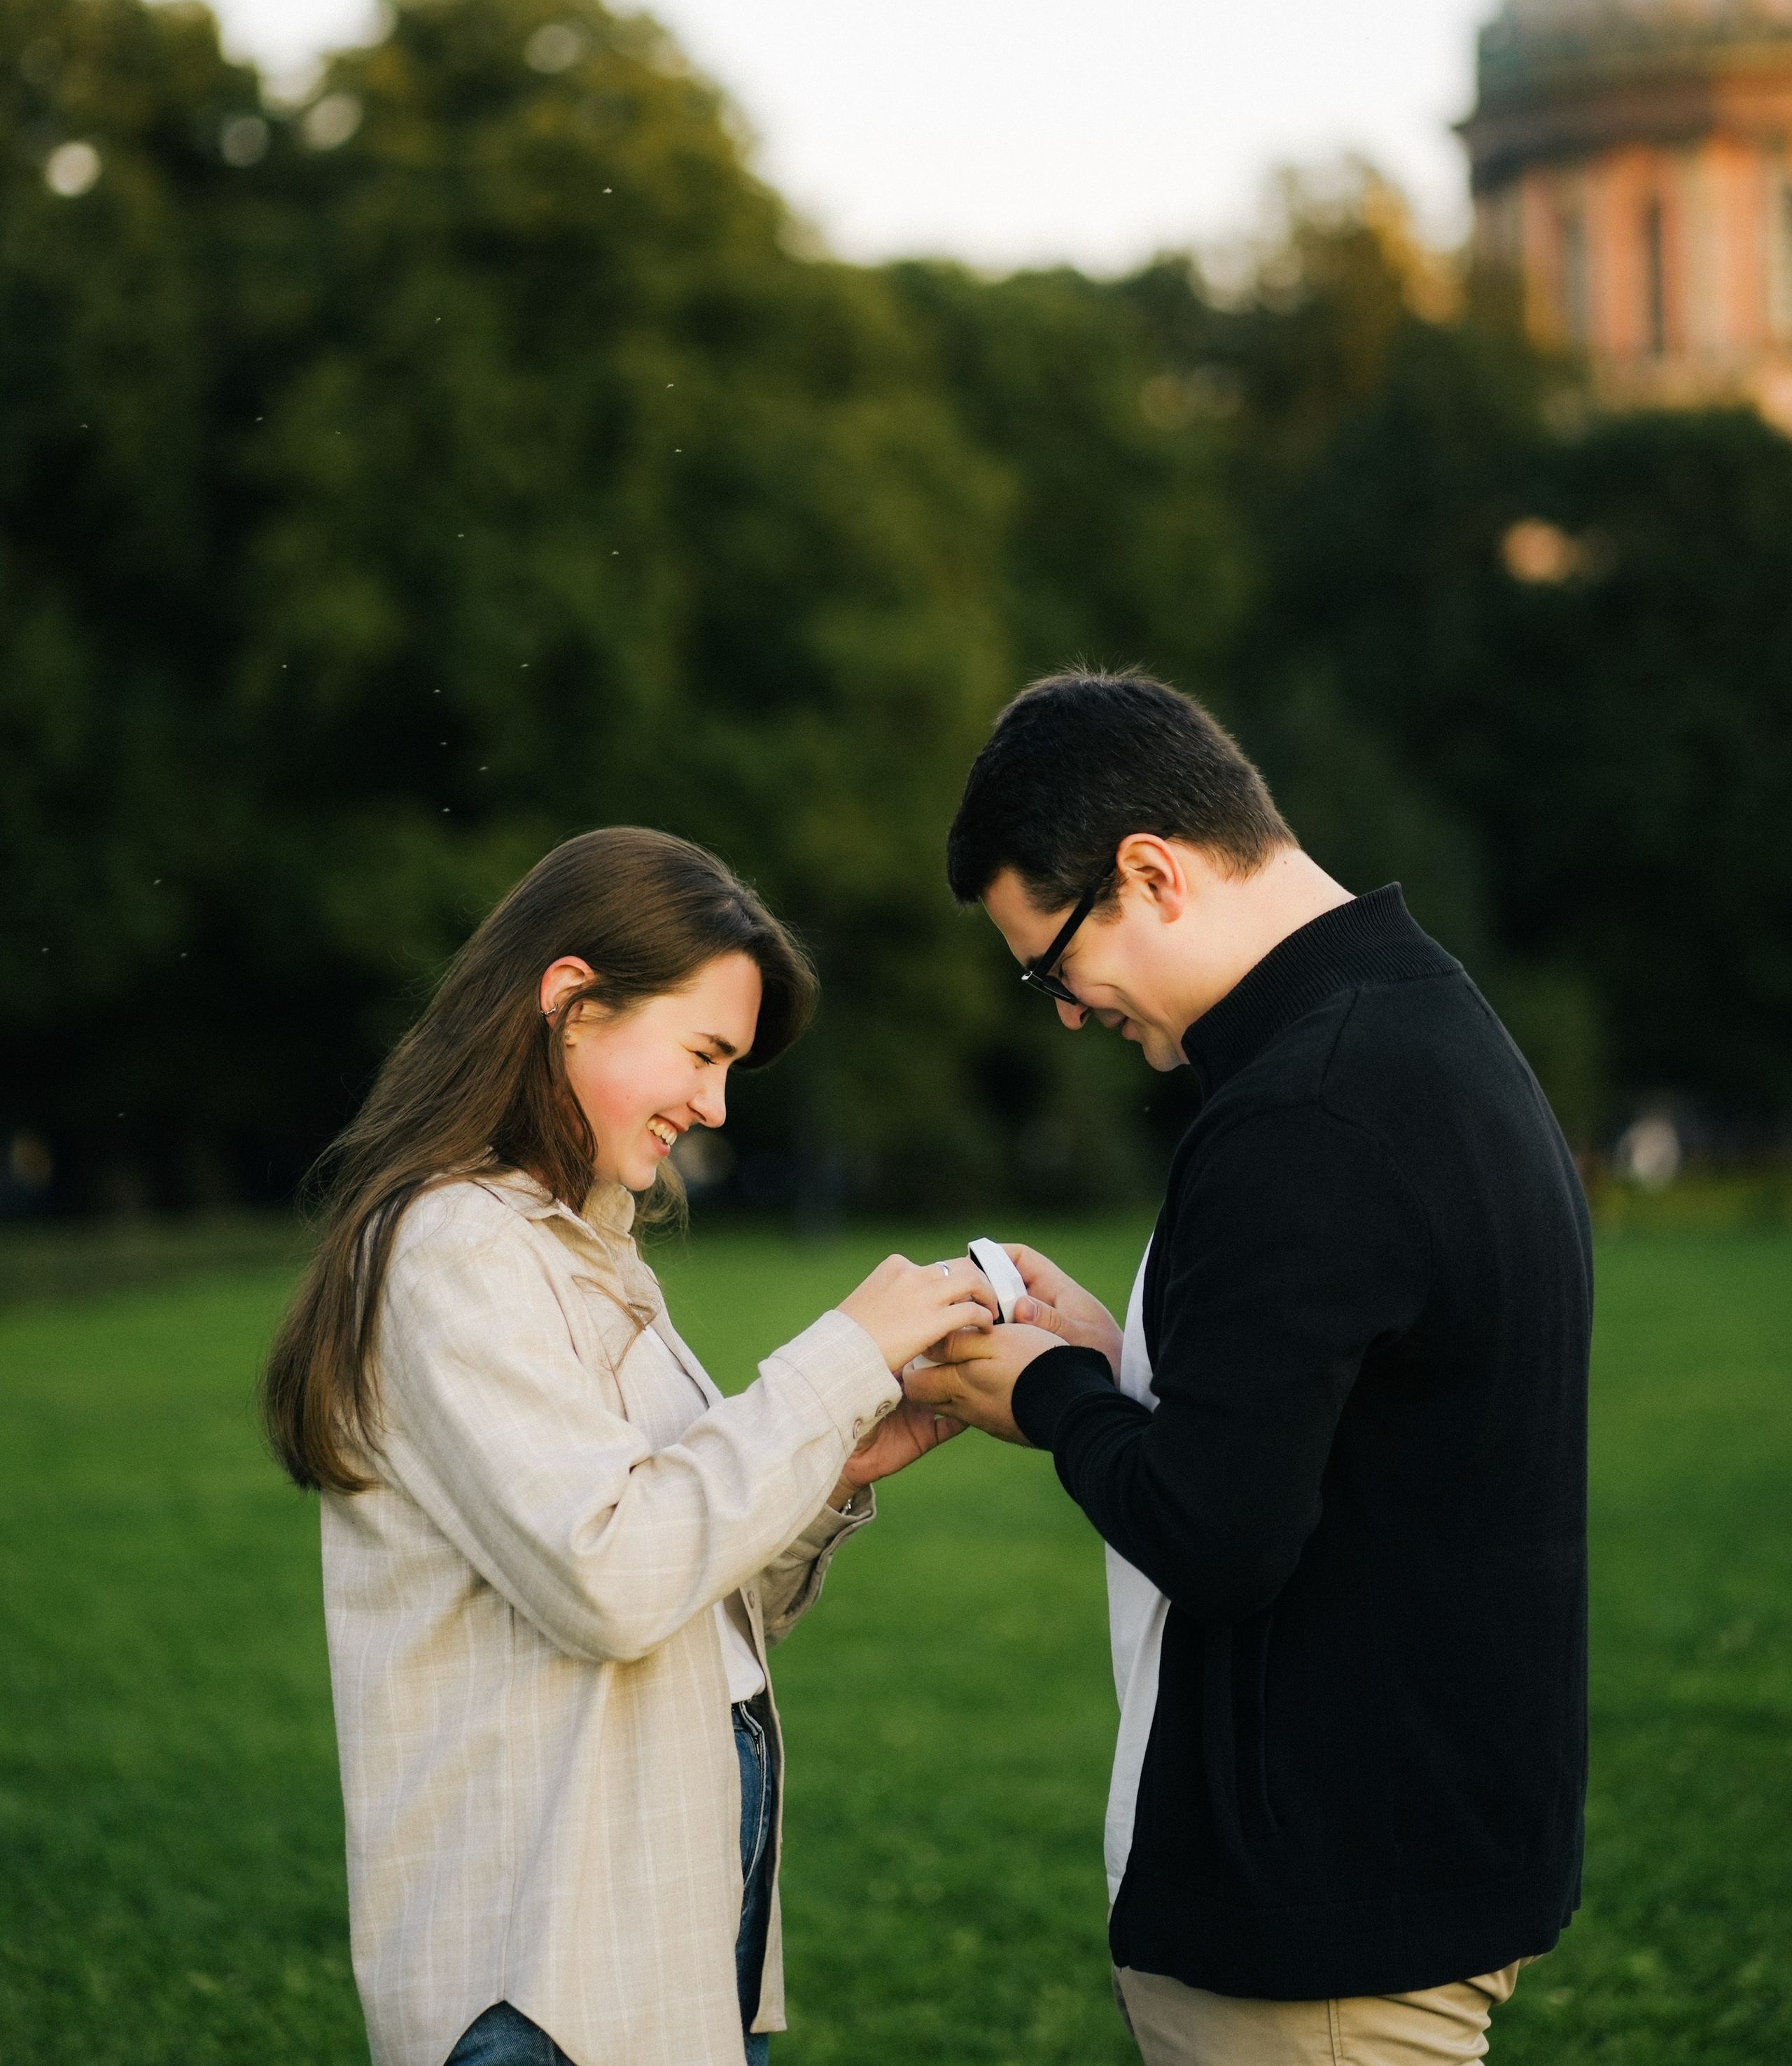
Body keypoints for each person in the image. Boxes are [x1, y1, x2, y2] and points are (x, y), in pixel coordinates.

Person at [921, 671, 1592, 2066]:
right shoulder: (1415, 1022)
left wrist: (1046, 1395)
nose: (1065, 1013)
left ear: (1149, 874)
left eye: (1051, 966)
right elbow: (1353, 1427)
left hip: (1328, 1918)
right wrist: (1122, 1364)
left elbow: (1218, 1534)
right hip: (1416, 1856)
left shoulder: (1305, 1107)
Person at [262, 825, 996, 2066]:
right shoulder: (457, 1249)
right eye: (704, 1054)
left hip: (668, 1943)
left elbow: (697, 1596)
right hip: (546, 1980)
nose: (714, 1106)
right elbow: (611, 1580)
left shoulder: (586, 1250)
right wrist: (836, 1360)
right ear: (572, 1003)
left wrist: (827, 1470)